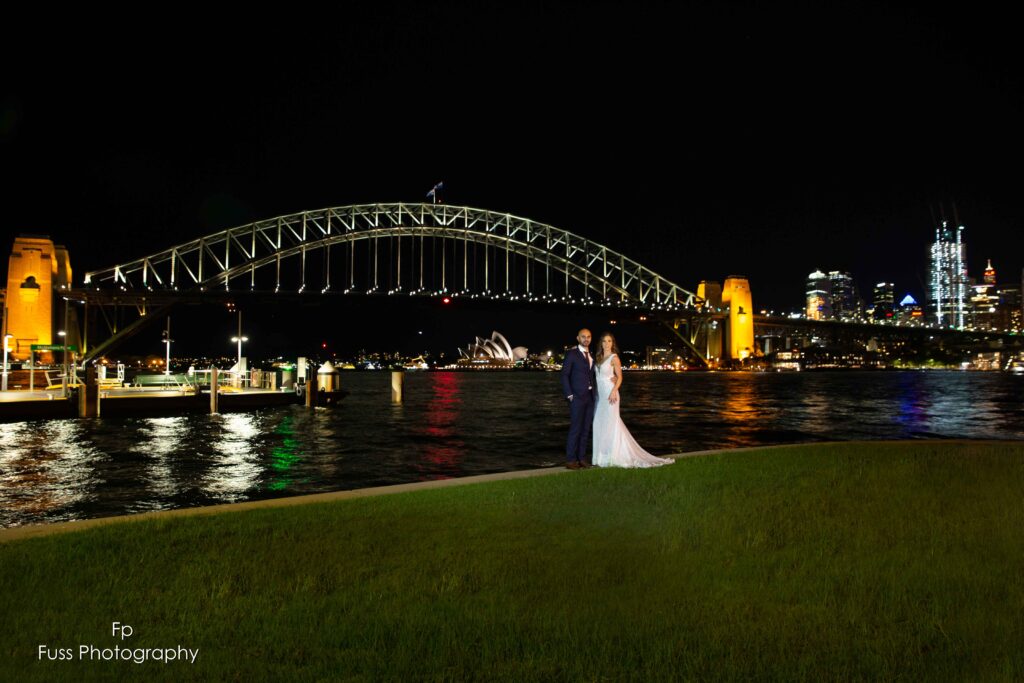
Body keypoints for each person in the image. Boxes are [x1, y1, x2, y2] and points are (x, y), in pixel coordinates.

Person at [592, 332, 674, 468]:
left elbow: (620, 377)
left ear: (613, 344)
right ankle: (600, 457)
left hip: (610, 394)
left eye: (609, 341)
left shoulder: (614, 357)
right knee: (599, 423)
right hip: (600, 396)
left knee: (612, 424)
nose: (607, 344)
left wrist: (613, 390)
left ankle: (612, 457)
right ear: (601, 343)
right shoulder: (598, 358)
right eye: (604, 341)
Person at [560, 328, 596, 469]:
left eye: (588, 336)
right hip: (577, 398)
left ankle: (581, 458)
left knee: (586, 429)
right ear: (578, 338)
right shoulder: (572, 354)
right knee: (575, 429)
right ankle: (570, 460)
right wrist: (570, 395)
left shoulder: (591, 355)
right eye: (583, 336)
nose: (586, 339)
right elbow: (564, 375)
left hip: (590, 397)